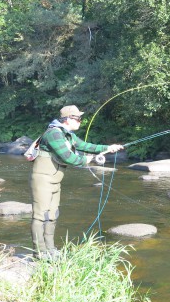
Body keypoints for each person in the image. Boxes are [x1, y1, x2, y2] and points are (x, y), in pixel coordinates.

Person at [29, 105, 123, 260]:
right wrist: (88, 159)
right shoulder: (53, 133)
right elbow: (67, 157)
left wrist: (109, 148)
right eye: (78, 118)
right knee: (40, 216)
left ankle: (50, 250)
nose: (80, 121)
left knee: (52, 215)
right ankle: (39, 253)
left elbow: (85, 146)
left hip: (54, 180)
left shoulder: (67, 135)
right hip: (42, 180)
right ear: (67, 119)